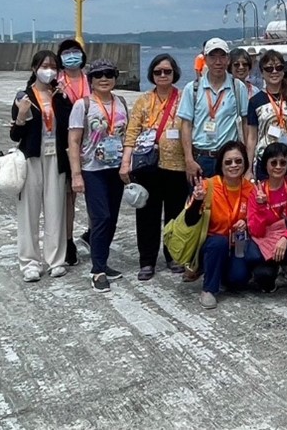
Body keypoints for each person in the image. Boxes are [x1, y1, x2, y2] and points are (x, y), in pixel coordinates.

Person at [120, 54, 189, 280]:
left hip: (176, 165)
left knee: (175, 214)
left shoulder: (183, 98)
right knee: (147, 214)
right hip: (147, 165)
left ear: (174, 73)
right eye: (158, 71)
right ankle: (147, 260)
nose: (162, 75)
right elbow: (132, 131)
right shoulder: (143, 101)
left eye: (167, 71)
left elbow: (191, 128)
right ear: (152, 74)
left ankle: (173, 255)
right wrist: (126, 162)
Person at [68, 59, 130, 293]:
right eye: (98, 75)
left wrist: (127, 163)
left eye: (109, 74)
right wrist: (76, 174)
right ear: (90, 80)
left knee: (112, 218)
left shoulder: (121, 102)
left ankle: (99, 255)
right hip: (92, 169)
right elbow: (74, 141)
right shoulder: (82, 105)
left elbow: (127, 136)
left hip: (116, 168)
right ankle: (97, 270)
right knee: (101, 216)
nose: (104, 79)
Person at [9, 50, 72, 281]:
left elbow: (67, 130)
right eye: (45, 66)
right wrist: (22, 115)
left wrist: (64, 101)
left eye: (54, 66)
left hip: (55, 157)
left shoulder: (59, 96)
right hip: (31, 158)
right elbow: (15, 135)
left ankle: (56, 260)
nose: (50, 70)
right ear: (35, 68)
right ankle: (29, 263)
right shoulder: (23, 96)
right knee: (29, 211)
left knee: (56, 209)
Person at [182, 141, 256, 309]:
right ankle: (208, 289)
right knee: (219, 242)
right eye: (228, 162)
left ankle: (221, 271)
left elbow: (256, 219)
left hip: (237, 244)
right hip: (211, 244)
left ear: (245, 163)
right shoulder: (208, 186)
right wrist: (197, 201)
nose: (233, 165)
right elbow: (189, 221)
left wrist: (246, 222)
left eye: (238, 161)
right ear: (221, 164)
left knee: (238, 281)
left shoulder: (251, 189)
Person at [178, 38, 250, 182]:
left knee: (229, 202)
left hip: (230, 159)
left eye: (222, 56)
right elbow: (186, 125)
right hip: (201, 158)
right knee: (200, 202)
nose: (218, 62)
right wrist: (189, 160)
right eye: (212, 56)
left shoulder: (238, 87)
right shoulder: (192, 88)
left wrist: (247, 160)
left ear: (228, 59)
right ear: (205, 59)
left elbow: (246, 124)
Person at [247, 142, 287, 301]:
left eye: (283, 162)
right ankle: (274, 269)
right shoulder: (257, 191)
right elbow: (255, 231)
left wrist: (285, 238)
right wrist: (261, 207)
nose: (278, 166)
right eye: (273, 162)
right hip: (267, 242)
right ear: (266, 165)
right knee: (264, 279)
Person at [246, 50, 287, 182]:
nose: (274, 72)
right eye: (269, 68)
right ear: (262, 73)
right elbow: (252, 137)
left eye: (278, 67)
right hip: (267, 162)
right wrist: (249, 168)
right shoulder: (254, 101)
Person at [56, 38, 89, 266]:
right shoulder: (56, 82)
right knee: (69, 196)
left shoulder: (92, 80)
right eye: (66, 52)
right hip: (66, 145)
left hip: (92, 145)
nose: (71, 56)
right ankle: (68, 242)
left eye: (75, 51)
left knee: (99, 195)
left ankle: (92, 234)